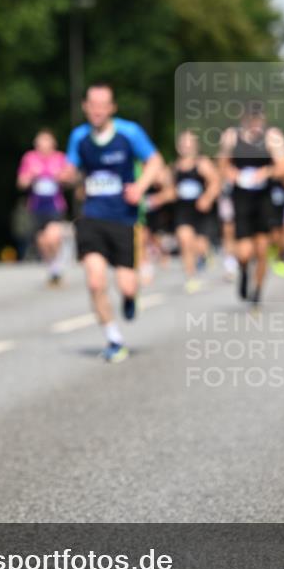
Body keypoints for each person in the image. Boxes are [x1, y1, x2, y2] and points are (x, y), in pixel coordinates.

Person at [62, 83, 163, 363]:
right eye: (92, 104)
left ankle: (131, 298)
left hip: (124, 218)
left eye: (102, 104)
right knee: (95, 282)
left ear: (111, 108)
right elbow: (71, 169)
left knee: (127, 286)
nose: (97, 110)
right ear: (85, 107)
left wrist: (140, 187)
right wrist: (67, 176)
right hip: (91, 216)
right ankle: (114, 339)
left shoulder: (129, 132)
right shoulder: (79, 137)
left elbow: (155, 161)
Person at [218, 101, 284, 305]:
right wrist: (234, 174)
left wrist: (266, 172)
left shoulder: (272, 137)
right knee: (243, 251)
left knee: (261, 248)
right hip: (241, 197)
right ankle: (243, 271)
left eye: (258, 118)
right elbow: (222, 164)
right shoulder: (232, 136)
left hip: (264, 199)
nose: (254, 123)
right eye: (251, 118)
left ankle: (257, 291)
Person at [16, 129, 68, 285]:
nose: (43, 146)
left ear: (53, 144)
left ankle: (57, 264)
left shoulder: (60, 158)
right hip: (36, 206)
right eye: (40, 143)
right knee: (42, 242)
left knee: (53, 237)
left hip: (55, 205)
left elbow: (70, 179)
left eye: (46, 142)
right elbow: (21, 182)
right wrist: (31, 176)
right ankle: (52, 266)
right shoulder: (30, 158)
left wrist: (60, 176)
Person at [171, 130, 220, 293]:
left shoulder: (202, 163)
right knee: (185, 241)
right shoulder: (175, 166)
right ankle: (191, 277)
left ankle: (206, 253)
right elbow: (169, 188)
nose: (186, 146)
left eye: (189, 143)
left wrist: (207, 198)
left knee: (199, 246)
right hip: (183, 210)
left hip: (201, 211)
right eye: (183, 143)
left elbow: (215, 182)